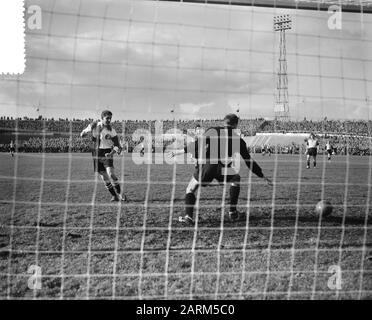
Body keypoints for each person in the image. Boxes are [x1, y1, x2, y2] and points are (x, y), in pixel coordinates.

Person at [170, 113, 272, 225]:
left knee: (190, 189)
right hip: (223, 168)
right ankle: (232, 212)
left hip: (208, 166)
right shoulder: (238, 140)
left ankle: (188, 216)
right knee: (236, 179)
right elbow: (248, 161)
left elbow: (197, 144)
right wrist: (262, 175)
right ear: (236, 125)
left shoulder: (212, 130)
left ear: (224, 122)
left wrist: (179, 152)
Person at [80, 110, 127, 202]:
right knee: (104, 177)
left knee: (111, 174)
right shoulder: (94, 125)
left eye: (110, 118)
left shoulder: (112, 130)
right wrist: (83, 134)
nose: (109, 120)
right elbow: (84, 131)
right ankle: (114, 196)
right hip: (96, 153)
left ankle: (120, 193)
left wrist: (111, 153)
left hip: (107, 153)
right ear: (102, 118)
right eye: (107, 118)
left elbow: (118, 146)